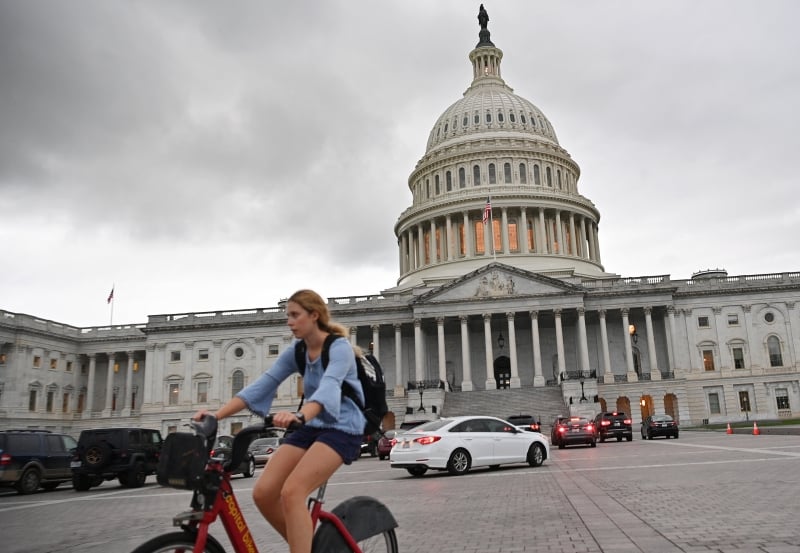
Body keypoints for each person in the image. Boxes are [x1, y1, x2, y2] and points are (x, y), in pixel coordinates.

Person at [192, 289, 365, 553]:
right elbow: (266, 382)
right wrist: (217, 415)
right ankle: (306, 546)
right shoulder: (298, 350)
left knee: (292, 492)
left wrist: (301, 415)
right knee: (263, 493)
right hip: (311, 426)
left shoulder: (338, 347)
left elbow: (329, 387)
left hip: (343, 427)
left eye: (295, 315)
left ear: (314, 315)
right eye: (288, 316)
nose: (289, 322)